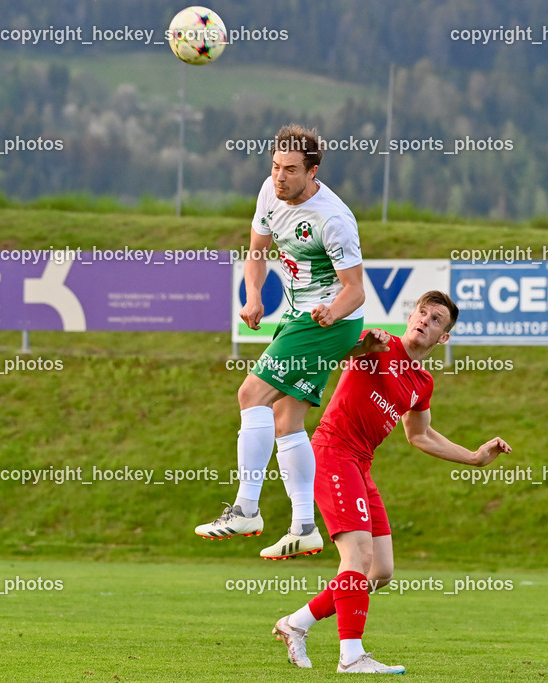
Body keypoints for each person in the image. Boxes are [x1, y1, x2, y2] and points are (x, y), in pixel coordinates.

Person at [271, 290, 512, 674]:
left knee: (379, 571)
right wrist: (362, 344)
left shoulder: (422, 382)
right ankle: (351, 656)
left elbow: (420, 435)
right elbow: (341, 351)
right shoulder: (379, 343)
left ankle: (296, 623)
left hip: (361, 464)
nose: (425, 321)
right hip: (333, 451)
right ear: (411, 315)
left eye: (436, 320)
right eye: (422, 312)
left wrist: (473, 457)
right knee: (357, 557)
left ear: (443, 337)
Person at [195, 124, 365, 559]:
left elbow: (355, 290)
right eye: (275, 166)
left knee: (251, 392)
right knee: (286, 419)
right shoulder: (269, 193)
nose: (279, 177)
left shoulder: (334, 219)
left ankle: (246, 508)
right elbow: (256, 252)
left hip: (326, 321)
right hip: (295, 315)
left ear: (312, 171)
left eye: (290, 170)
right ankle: (304, 525)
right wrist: (254, 297)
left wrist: (333, 310)